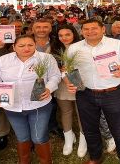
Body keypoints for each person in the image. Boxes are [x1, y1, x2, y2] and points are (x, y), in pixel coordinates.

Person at [65, 19, 120, 164]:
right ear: (81, 31)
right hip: (85, 93)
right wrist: (69, 82)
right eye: (86, 29)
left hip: (113, 93)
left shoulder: (118, 45)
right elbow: (66, 70)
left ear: (103, 29)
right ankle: (95, 157)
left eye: (94, 28)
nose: (90, 32)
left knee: (119, 131)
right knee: (89, 129)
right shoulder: (74, 48)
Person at [0, 34, 61, 164]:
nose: (26, 48)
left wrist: (49, 88)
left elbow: (55, 76)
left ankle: (46, 161)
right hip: (13, 107)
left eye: (30, 45)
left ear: (35, 45)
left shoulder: (46, 58)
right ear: (14, 47)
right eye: (21, 45)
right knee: (22, 136)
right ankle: (24, 161)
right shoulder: (2, 61)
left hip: (38, 105)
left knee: (38, 137)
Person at [50, 24, 86, 156]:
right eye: (61, 35)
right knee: (66, 112)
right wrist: (61, 72)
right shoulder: (53, 48)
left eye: (67, 34)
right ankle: (68, 138)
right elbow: (51, 69)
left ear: (74, 34)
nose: (64, 38)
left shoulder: (82, 47)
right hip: (63, 86)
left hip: (80, 84)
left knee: (82, 112)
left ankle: (83, 139)